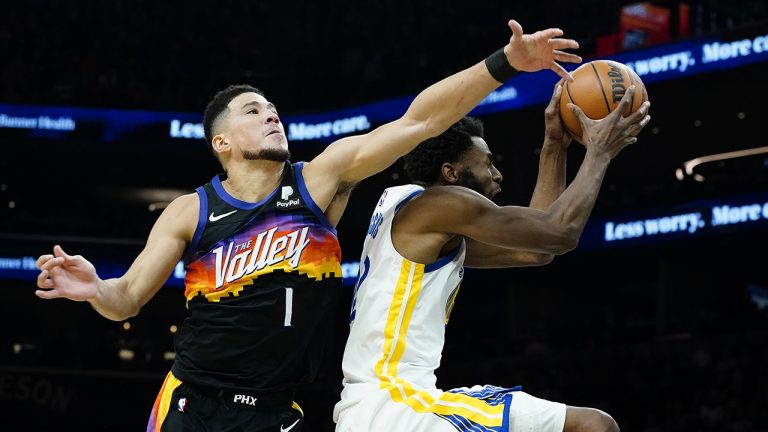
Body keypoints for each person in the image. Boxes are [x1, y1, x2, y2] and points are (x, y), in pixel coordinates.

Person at [34, 19, 581, 432]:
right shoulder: (191, 210)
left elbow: (421, 120)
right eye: (252, 110)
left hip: (278, 411)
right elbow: (127, 298)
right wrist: (95, 289)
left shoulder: (320, 181)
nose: (271, 113)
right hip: (192, 400)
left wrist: (504, 62)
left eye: (272, 107)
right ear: (221, 143)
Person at [333, 81, 651, 432]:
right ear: (451, 173)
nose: (496, 174)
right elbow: (561, 233)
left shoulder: (409, 214)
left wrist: (554, 147)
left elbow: (535, 252)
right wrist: (600, 153)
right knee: (594, 425)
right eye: (487, 163)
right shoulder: (442, 205)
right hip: (397, 406)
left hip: (374, 407)